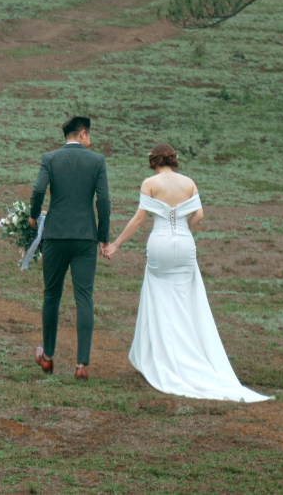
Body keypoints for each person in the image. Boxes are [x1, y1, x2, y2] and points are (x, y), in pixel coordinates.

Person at [103, 142, 271, 402]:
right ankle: (190, 355)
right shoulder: (189, 183)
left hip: (159, 244)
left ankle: (161, 357)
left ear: (153, 160)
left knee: (158, 297)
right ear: (173, 159)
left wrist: (116, 244)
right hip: (183, 244)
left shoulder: (150, 183)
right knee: (185, 301)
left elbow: (139, 219)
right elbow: (199, 215)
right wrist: (184, 226)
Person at [28, 115, 110, 380]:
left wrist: (32, 216)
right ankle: (81, 365)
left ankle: (48, 357)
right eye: (90, 134)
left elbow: (39, 190)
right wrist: (103, 236)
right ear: (83, 133)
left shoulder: (49, 158)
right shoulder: (97, 161)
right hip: (86, 237)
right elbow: (104, 201)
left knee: (52, 294)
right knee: (84, 297)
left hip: (56, 235)